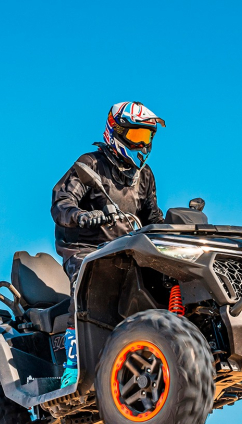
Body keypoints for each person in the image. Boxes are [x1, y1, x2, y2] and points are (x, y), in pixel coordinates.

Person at [51, 101, 165, 387]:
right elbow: (61, 201)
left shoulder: (144, 176)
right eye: (136, 136)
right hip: (85, 248)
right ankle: (73, 365)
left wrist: (170, 229)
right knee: (86, 279)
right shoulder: (89, 165)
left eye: (147, 137)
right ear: (115, 132)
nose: (142, 144)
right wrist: (80, 216)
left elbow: (152, 216)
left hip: (126, 248)